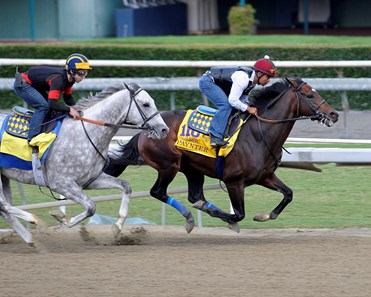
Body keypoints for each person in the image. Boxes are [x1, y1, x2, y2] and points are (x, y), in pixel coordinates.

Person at [199, 55, 277, 147]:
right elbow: (233, 100)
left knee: (239, 107)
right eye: (268, 77)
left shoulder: (252, 82)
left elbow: (243, 99)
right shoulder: (243, 79)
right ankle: (215, 136)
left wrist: (249, 106)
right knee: (226, 105)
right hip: (208, 82)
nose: (268, 80)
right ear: (259, 74)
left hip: (218, 83)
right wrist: (248, 109)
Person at [13, 53, 92, 143]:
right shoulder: (59, 80)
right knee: (44, 106)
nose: (83, 77)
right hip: (23, 85)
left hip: (34, 84)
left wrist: (78, 109)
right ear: (71, 71)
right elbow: (52, 104)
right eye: (81, 73)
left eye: (85, 73)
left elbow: (68, 98)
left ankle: (45, 132)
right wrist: (69, 109)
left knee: (54, 110)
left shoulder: (70, 80)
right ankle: (32, 138)